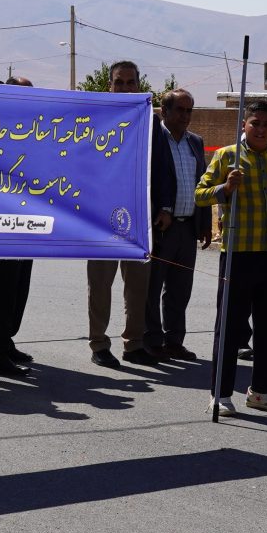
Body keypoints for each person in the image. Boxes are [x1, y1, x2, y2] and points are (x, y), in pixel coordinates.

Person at [197, 100, 267, 415]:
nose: (260, 129)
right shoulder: (227, 157)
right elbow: (200, 193)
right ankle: (220, 394)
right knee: (230, 327)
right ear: (244, 125)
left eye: (266, 124)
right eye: (255, 123)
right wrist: (224, 188)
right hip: (239, 254)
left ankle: (261, 391)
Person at [87, 60, 156, 367]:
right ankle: (99, 344)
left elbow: (161, 170)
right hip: (100, 220)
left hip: (138, 220)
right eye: (119, 82)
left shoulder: (150, 123)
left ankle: (134, 343)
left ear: (138, 86)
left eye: (131, 82)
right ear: (109, 86)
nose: (125, 88)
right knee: (100, 285)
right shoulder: (92, 122)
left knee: (137, 286)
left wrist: (162, 208)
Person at [0, 76, 39, 378]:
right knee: (2, 290)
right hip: (0, 225)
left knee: (18, 288)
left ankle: (5, 341)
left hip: (27, 224)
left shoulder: (34, 131)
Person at [146, 87, 208, 360]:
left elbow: (202, 184)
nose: (185, 115)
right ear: (164, 111)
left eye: (189, 110)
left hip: (188, 226)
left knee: (180, 289)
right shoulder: (153, 139)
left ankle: (174, 341)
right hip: (162, 226)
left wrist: (205, 222)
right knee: (153, 286)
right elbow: (152, 181)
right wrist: (163, 209)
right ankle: (151, 341)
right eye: (180, 110)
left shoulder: (195, 141)